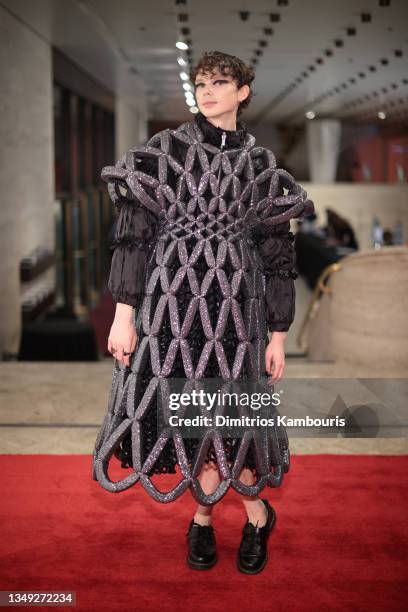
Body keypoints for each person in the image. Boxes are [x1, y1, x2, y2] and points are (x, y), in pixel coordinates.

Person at [92, 51, 314, 574]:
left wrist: (277, 335)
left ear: (243, 92)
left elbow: (279, 259)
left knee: (228, 420)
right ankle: (245, 515)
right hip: (172, 311)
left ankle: (220, 519)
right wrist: (124, 315)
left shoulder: (261, 169)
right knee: (187, 419)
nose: (207, 91)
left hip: (239, 316)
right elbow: (132, 240)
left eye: (219, 82)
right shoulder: (163, 154)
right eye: (200, 83)